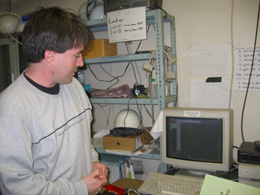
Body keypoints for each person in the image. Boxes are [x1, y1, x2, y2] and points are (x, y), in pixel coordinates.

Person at [0, 6, 108, 195]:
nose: (81, 63)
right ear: (50, 56)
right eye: (76, 55)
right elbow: (17, 186)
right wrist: (79, 189)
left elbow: (82, 140)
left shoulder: (73, 86)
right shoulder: (12, 108)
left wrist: (91, 160)